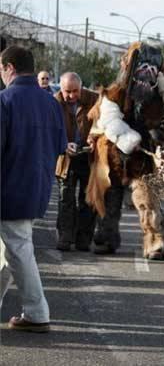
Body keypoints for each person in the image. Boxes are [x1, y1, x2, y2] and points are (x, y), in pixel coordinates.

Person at [0, 45, 67, 333]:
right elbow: (61, 146)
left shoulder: (5, 100)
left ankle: (37, 312)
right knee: (11, 249)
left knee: (17, 249)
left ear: (9, 68)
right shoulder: (51, 102)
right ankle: (35, 311)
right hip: (38, 186)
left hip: (8, 187)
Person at [54, 72, 99, 252]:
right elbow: (51, 128)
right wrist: (64, 144)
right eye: (67, 92)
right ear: (61, 89)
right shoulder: (54, 102)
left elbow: (105, 123)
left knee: (88, 200)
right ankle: (65, 236)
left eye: (75, 91)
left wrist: (94, 137)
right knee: (66, 198)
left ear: (81, 88)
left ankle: (84, 238)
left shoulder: (96, 100)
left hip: (89, 157)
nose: (72, 96)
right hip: (65, 157)